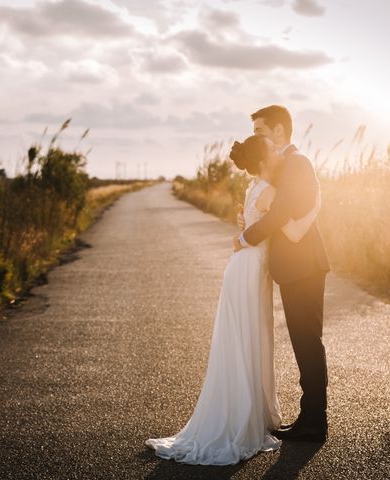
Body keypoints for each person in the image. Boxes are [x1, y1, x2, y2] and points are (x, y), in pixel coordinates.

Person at [145, 133, 321, 465]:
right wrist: (315, 205)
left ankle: (242, 411)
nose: (277, 151)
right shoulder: (270, 191)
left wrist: (242, 232)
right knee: (249, 338)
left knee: (239, 338)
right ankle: (244, 418)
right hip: (251, 269)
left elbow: (254, 222)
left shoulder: (254, 187)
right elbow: (287, 227)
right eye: (271, 149)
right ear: (264, 159)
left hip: (243, 267)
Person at [234, 105, 331, 442]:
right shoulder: (280, 165)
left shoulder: (296, 163)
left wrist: (246, 237)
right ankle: (310, 417)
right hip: (293, 267)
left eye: (260, 131)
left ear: (278, 131)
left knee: (308, 342)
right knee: (302, 342)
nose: (255, 138)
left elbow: (279, 215)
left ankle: (315, 422)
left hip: (304, 265)